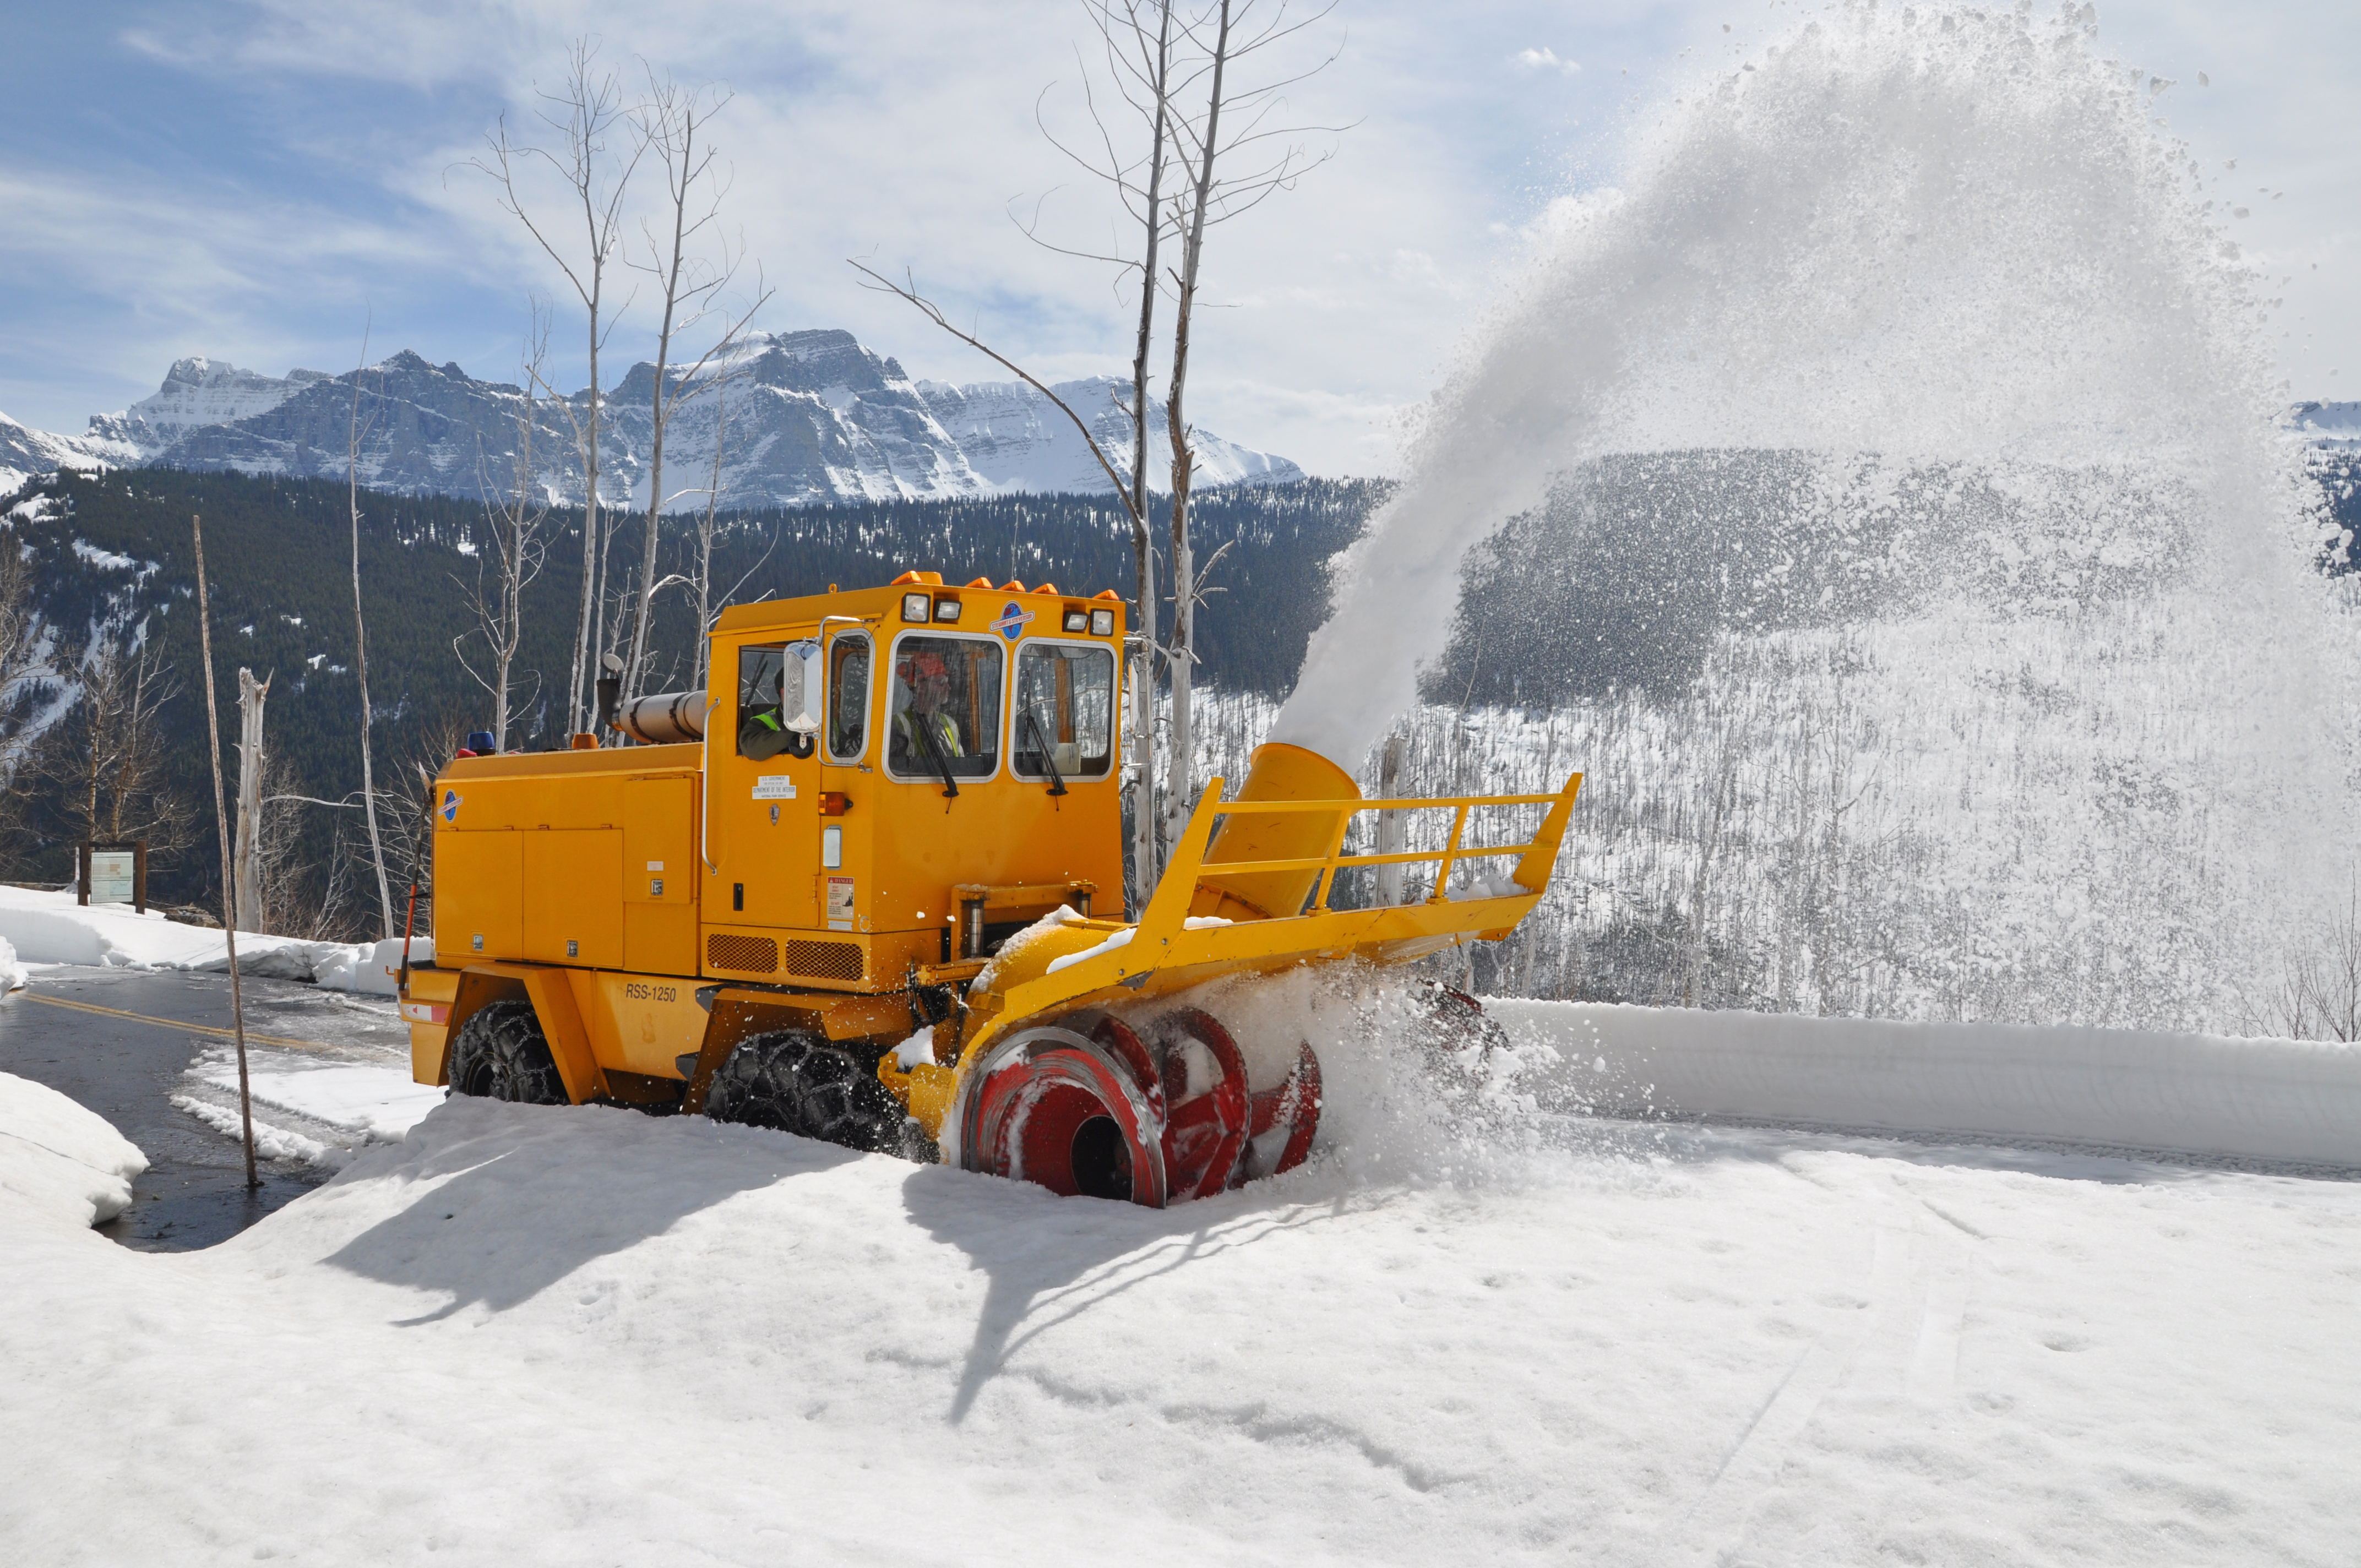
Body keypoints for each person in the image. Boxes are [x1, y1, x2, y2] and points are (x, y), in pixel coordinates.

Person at [893, 650, 963, 766]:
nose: (948, 688)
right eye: (941, 683)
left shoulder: (951, 724)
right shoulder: (900, 724)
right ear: (920, 687)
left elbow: (961, 768)